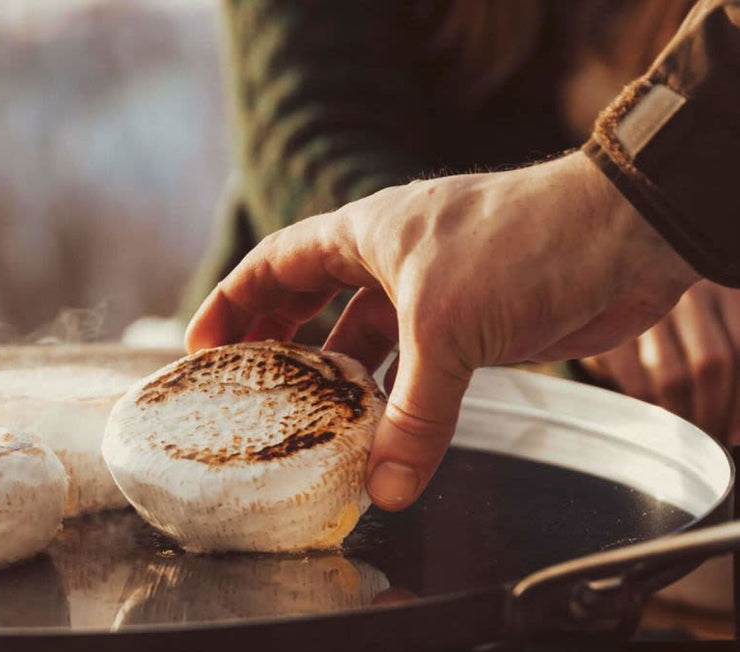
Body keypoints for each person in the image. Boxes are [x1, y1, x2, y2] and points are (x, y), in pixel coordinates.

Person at [183, 0, 738, 510]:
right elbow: (311, 137)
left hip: (631, 441)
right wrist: (627, 218)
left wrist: (669, 234)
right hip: (306, 396)